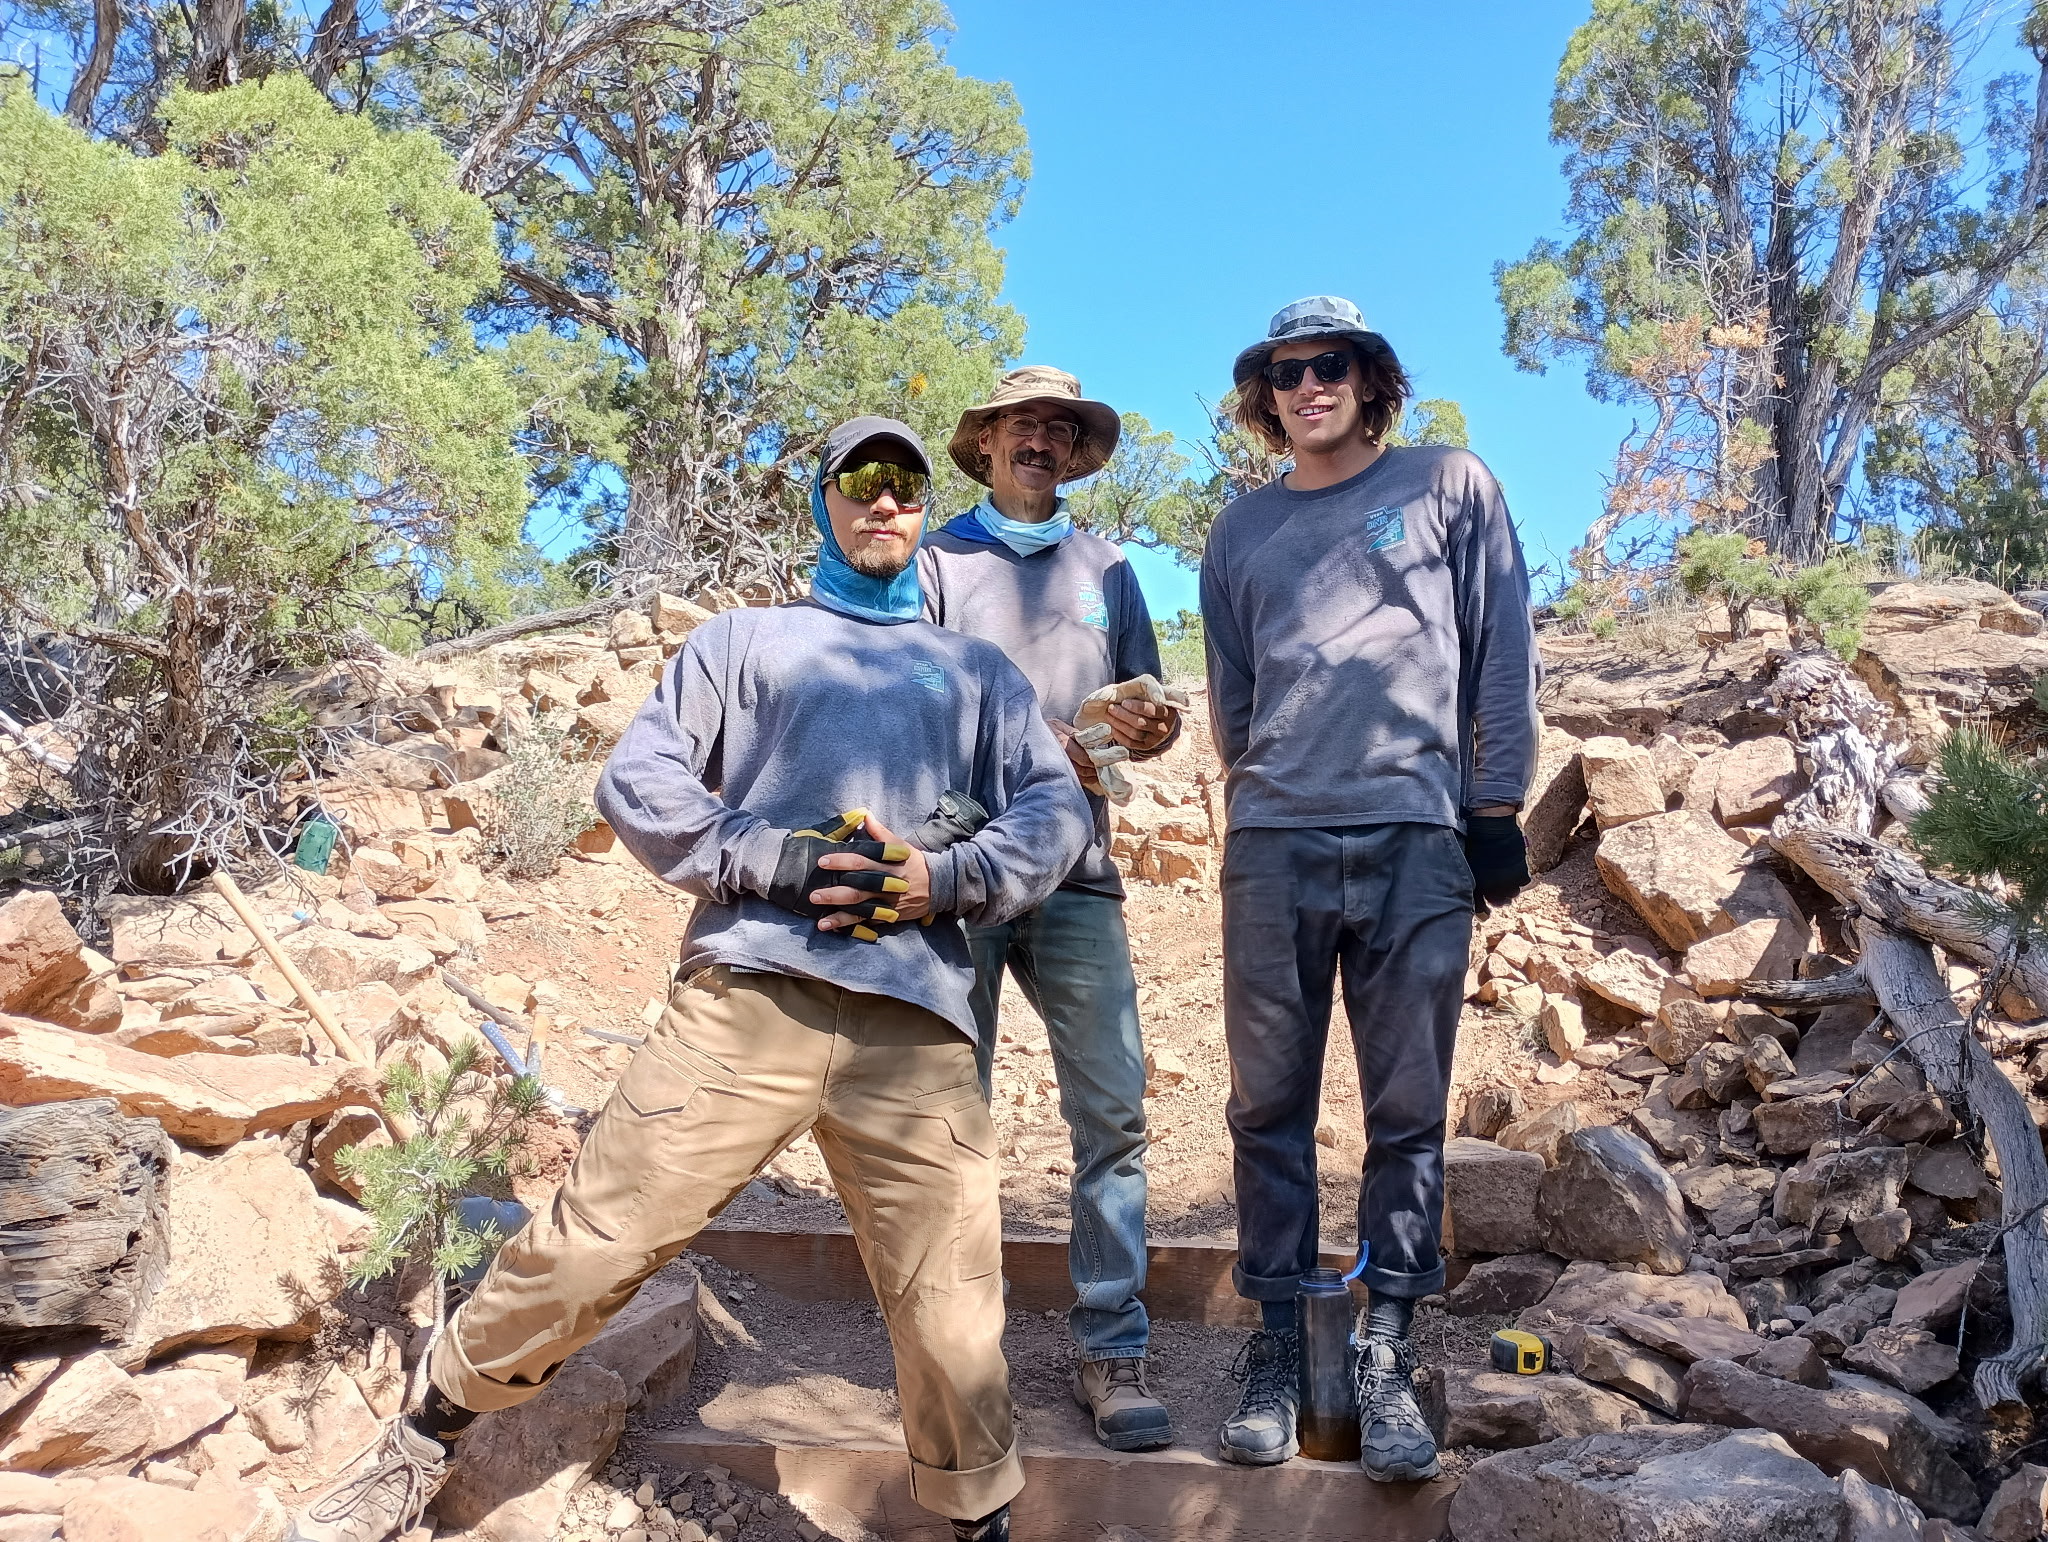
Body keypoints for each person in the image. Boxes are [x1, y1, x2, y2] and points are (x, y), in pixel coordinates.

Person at [289, 417, 1093, 1542]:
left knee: (952, 1316)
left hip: (914, 1017)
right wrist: (769, 857)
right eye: (860, 482)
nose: (884, 503)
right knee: (596, 1243)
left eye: (904, 486)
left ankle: (975, 1521)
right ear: (822, 503)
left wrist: (943, 878)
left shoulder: (974, 672)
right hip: (746, 996)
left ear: (922, 510)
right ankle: (428, 1433)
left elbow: (1053, 811)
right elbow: (641, 780)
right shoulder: (741, 643)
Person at [1199, 297, 1539, 1480]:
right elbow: (1231, 704)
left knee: (1406, 1112)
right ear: (1266, 397)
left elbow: (1501, 649)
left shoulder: (1447, 485)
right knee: (1265, 1112)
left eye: (1328, 364)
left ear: (1369, 377)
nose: (1307, 385)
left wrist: (1493, 807)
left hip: (1413, 841)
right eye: (1284, 372)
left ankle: (1387, 1348)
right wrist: (1256, 798)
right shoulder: (1236, 535)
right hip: (1275, 844)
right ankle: (1279, 1348)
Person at [918, 367, 1182, 1453]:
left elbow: (1141, 704)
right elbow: (906, 707)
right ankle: (953, 1355)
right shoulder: (934, 563)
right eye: (1020, 424)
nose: (1039, 440)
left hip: (1078, 872)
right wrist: (1026, 751)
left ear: (1073, 457)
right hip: (963, 873)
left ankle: (1109, 1349)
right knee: (947, 1114)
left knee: (1111, 1113)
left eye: (1058, 430)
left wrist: (1137, 731)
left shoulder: (1107, 569)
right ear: (984, 443)